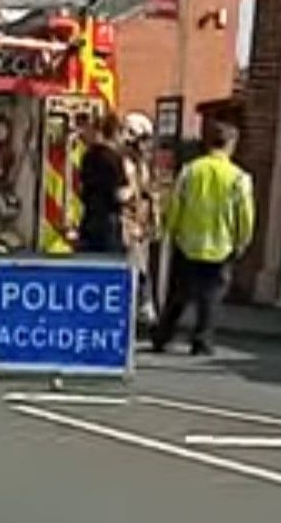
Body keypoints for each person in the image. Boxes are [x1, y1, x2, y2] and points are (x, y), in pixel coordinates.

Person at [151, 121, 255, 356]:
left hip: (188, 243)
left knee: (178, 295)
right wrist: (242, 240)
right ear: (231, 145)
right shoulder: (239, 178)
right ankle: (202, 341)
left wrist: (170, 230)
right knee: (210, 298)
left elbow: (176, 204)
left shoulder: (190, 171)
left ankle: (162, 336)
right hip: (220, 246)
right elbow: (245, 214)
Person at [121, 112, 162, 326]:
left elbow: (146, 192)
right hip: (126, 226)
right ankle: (141, 307)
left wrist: (153, 218)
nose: (147, 147)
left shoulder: (141, 165)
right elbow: (126, 194)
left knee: (141, 268)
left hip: (138, 227)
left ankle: (143, 306)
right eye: (143, 140)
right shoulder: (123, 163)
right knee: (134, 269)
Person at [77, 112, 128, 253]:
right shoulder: (114, 158)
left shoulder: (87, 156)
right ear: (114, 132)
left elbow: (81, 187)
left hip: (89, 219)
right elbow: (121, 194)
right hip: (108, 222)